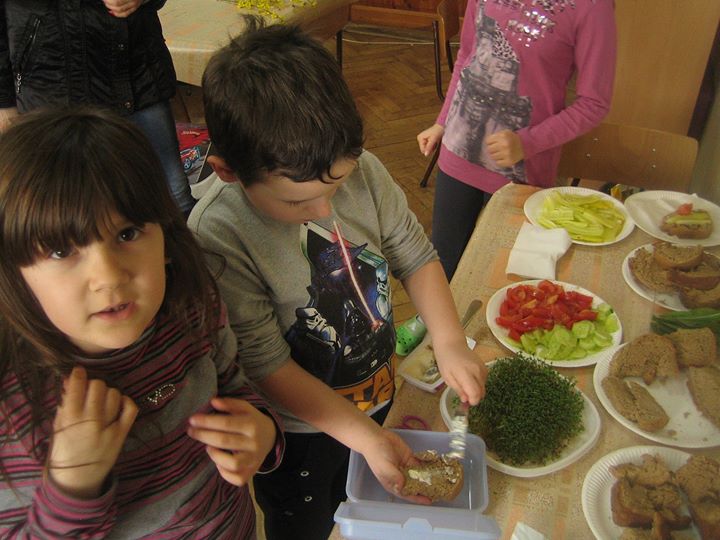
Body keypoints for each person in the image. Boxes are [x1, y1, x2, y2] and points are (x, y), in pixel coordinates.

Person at [188, 17, 488, 540]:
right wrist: (361, 436)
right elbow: (265, 363)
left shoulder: (365, 170)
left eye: (337, 185)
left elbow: (415, 256)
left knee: (371, 507)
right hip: (300, 432)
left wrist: (449, 341)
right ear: (228, 170)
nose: (325, 210)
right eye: (298, 201)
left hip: (378, 393)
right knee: (306, 523)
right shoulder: (219, 234)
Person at [0, 107, 284, 538]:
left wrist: (262, 430)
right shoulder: (13, 409)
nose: (109, 277)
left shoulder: (192, 305)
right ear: (14, 271)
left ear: (165, 235)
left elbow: (232, 383)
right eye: (61, 251)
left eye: (128, 233)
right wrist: (71, 489)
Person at [417, 0, 617, 279]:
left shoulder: (593, 7)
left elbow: (594, 103)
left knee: (502, 273)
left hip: (520, 170)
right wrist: (443, 122)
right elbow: (467, 55)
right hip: (458, 150)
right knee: (444, 263)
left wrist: (528, 142)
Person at [0, 0, 196, 215]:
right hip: (51, 87)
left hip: (137, 73)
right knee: (70, 211)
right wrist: (4, 100)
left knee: (175, 198)